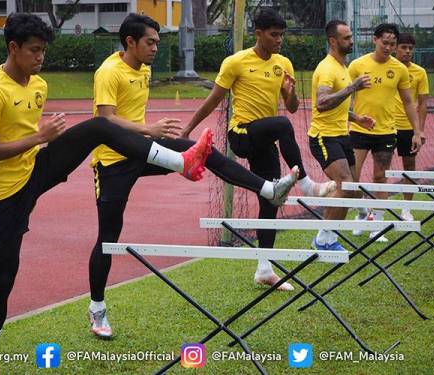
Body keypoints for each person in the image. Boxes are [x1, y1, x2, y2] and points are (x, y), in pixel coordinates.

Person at [0, 13, 216, 375]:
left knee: (100, 126)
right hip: (5, 192)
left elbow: (46, 135)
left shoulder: (37, 85)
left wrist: (41, 145)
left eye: (43, 50)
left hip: (37, 167)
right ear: (13, 48)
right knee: (5, 276)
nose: (41, 57)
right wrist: (41, 137)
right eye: (34, 50)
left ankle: (180, 162)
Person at [87, 13, 299, 339]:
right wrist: (148, 129)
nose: (156, 48)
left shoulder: (142, 69)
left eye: (158, 42)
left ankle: (268, 189)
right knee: (108, 237)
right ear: (130, 42)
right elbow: (105, 121)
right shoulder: (109, 71)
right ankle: (97, 308)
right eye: (151, 42)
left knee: (204, 152)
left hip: (144, 151)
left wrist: (152, 137)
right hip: (113, 163)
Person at [181, 8, 335, 289]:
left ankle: (265, 268)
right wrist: (187, 129)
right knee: (282, 126)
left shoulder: (283, 63)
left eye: (282, 36)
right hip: (241, 134)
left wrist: (289, 94)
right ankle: (307, 184)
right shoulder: (236, 62)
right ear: (259, 33)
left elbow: (291, 108)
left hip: (265, 140)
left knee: (271, 200)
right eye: (274, 35)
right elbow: (214, 100)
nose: (279, 41)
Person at [348, 23, 424, 241]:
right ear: (375, 40)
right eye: (385, 42)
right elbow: (344, 96)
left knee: (380, 177)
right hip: (359, 130)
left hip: (386, 132)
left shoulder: (399, 69)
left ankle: (377, 225)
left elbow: (409, 102)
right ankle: (362, 214)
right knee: (352, 177)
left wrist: (417, 131)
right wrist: (354, 118)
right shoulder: (357, 65)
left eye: (393, 44)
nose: (389, 47)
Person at [308, 20, 376, 250]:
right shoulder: (327, 68)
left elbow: (337, 105)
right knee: (346, 184)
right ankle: (325, 239)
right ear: (332, 41)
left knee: (350, 188)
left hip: (341, 135)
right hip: (323, 137)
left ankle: (327, 232)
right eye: (346, 38)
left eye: (351, 36)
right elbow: (322, 102)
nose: (351, 41)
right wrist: (352, 87)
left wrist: (357, 119)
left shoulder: (342, 67)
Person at [393, 32, 429, 221]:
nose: (407, 51)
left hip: (409, 128)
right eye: (403, 47)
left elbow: (422, 104)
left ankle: (406, 209)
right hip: (387, 127)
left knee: (409, 166)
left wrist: (419, 130)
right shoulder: (388, 68)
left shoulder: (419, 72)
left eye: (410, 48)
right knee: (381, 169)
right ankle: (378, 211)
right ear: (395, 48)